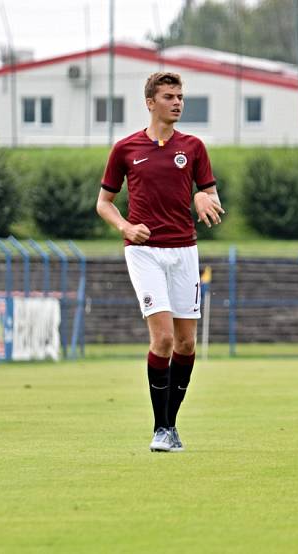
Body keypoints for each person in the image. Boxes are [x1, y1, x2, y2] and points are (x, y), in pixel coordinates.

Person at [96, 72, 224, 452]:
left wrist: (204, 198)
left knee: (186, 344)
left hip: (185, 251)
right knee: (164, 338)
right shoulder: (125, 148)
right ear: (151, 102)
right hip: (144, 252)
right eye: (169, 96)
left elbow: (209, 195)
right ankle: (161, 429)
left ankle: (172, 425)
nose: (177, 102)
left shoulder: (194, 147)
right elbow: (103, 203)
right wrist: (125, 225)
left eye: (180, 96)